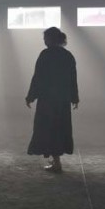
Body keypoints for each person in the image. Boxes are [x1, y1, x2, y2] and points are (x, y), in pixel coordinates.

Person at [25, 27, 79, 173]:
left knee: (48, 128)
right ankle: (57, 161)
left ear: (50, 39)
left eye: (45, 38)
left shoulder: (46, 55)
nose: (44, 41)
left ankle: (56, 162)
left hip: (48, 100)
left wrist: (31, 96)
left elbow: (38, 77)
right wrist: (74, 97)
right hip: (62, 100)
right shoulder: (68, 56)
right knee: (59, 128)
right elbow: (72, 79)